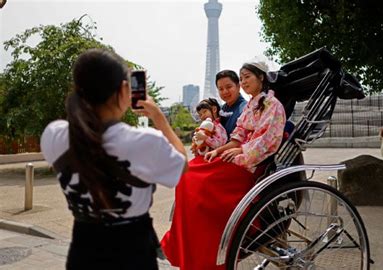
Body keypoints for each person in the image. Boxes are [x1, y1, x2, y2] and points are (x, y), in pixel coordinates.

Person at [40, 48, 187, 270]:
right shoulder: (145, 141)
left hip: (83, 248)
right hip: (132, 251)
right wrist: (159, 118)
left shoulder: (53, 135)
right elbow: (182, 165)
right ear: (125, 89)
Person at [161, 61, 286, 269]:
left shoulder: (272, 105)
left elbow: (268, 140)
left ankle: (206, 252)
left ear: (261, 77)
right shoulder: (252, 105)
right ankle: (189, 247)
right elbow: (237, 136)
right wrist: (219, 150)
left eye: (247, 77)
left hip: (251, 163)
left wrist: (241, 150)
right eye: (243, 77)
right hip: (235, 157)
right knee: (187, 174)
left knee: (196, 183)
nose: (245, 81)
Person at [216, 70, 248, 137]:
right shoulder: (219, 110)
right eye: (221, 89)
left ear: (238, 87)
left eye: (229, 87)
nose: (225, 92)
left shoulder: (246, 109)